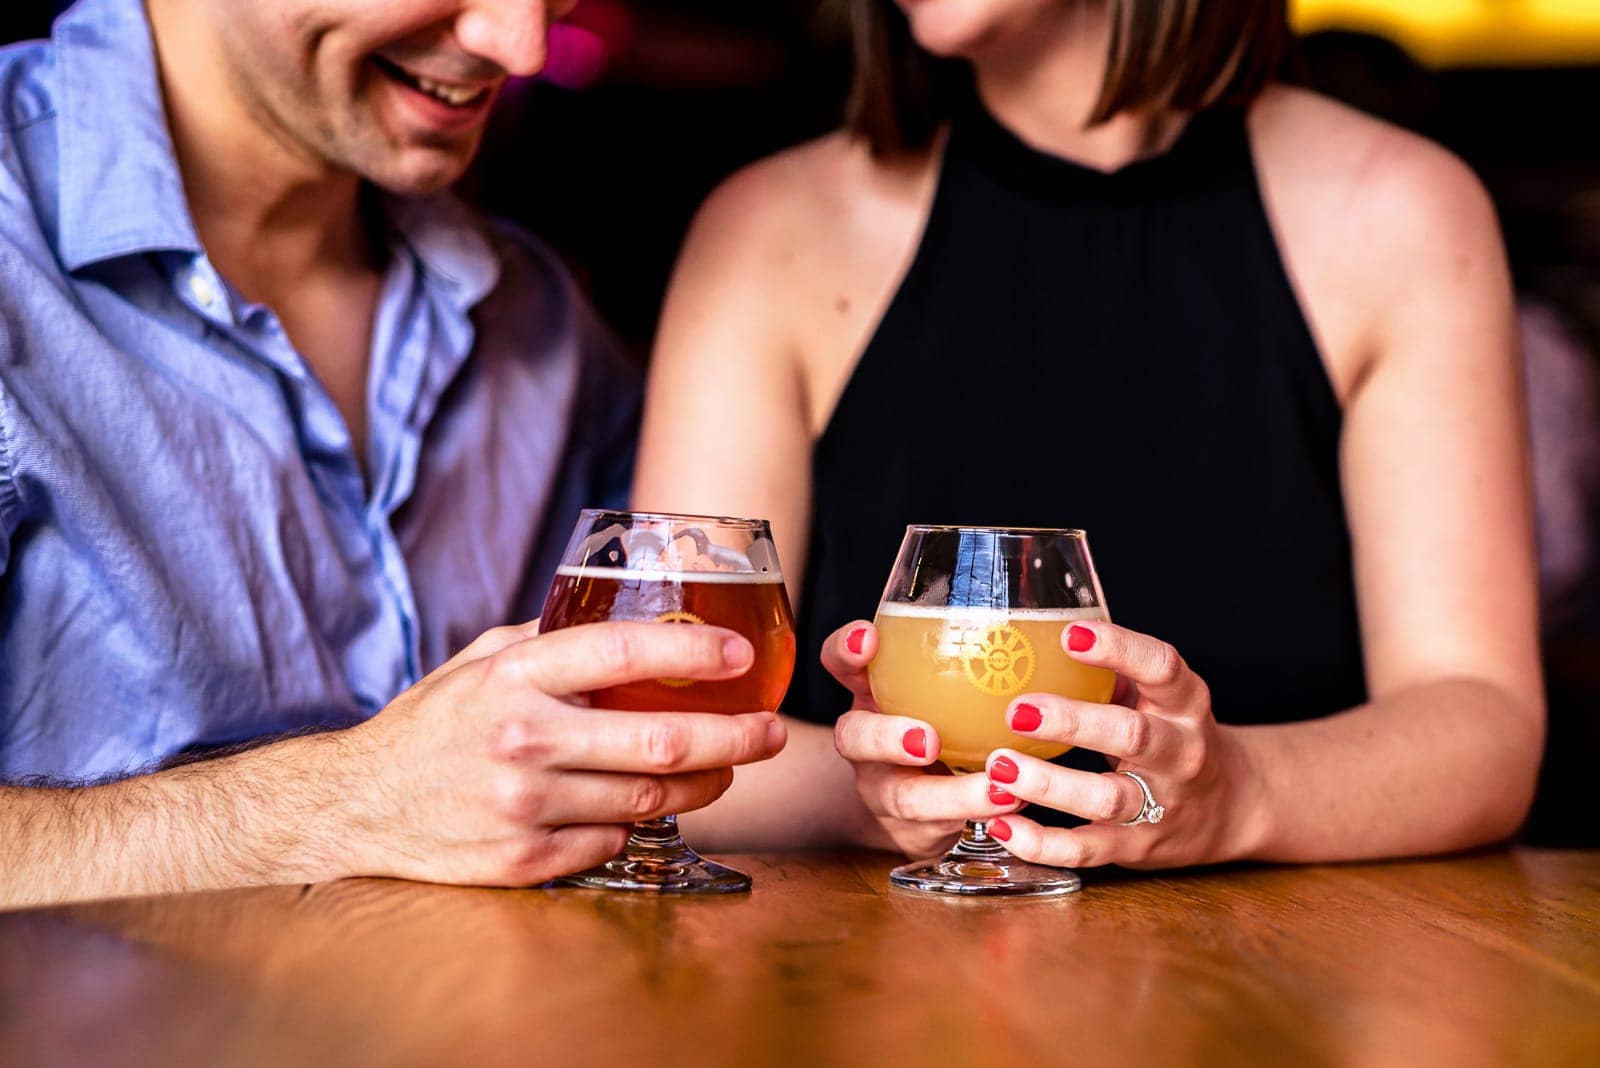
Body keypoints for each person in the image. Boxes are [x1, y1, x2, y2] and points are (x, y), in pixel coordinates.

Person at [642, 0, 1545, 869]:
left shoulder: (1403, 211)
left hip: (1288, 964)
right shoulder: (768, 231)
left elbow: (1484, 728)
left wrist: (1240, 795)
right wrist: (874, 797)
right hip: (886, 967)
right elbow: (670, 727)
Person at [0, 0, 787, 908]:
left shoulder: (539, 321)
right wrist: (351, 799)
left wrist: (898, 783)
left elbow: (670, 726)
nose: (522, 45)